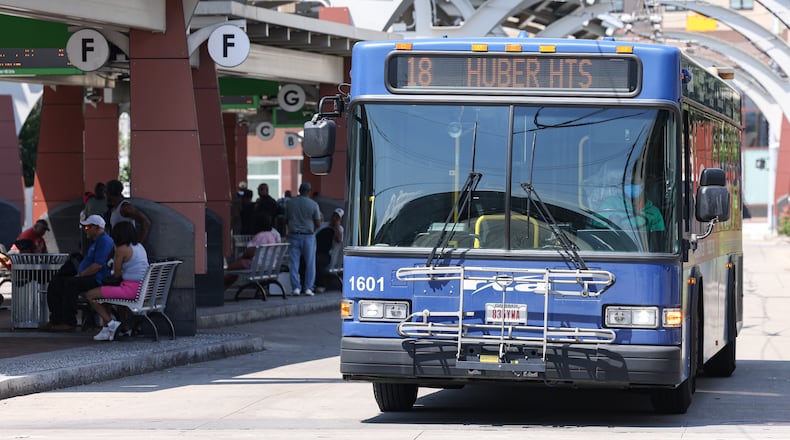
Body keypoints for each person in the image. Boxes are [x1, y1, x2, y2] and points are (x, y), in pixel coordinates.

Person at [42, 215, 113, 331]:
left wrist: (81, 274)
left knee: (71, 283)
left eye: (87, 227)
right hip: (88, 276)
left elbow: (98, 265)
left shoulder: (104, 241)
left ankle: (69, 322)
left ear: (97, 227)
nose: (85, 230)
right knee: (56, 283)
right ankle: (56, 319)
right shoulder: (97, 241)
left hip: (97, 278)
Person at [84, 221, 149, 341]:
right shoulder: (139, 246)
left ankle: (111, 324)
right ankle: (105, 329)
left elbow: (116, 274)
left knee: (91, 295)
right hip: (143, 289)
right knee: (103, 295)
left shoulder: (121, 249)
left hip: (130, 290)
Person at [224, 214, 281, 288]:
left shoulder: (259, 236)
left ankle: (220, 287)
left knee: (231, 268)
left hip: (257, 266)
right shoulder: (272, 236)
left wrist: (241, 257)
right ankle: (223, 286)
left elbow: (249, 253)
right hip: (270, 267)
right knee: (235, 271)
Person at [285, 182, 321, 296]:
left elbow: (286, 219)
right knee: (310, 263)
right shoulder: (313, 204)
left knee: (294, 263)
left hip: (293, 235)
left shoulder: (290, 203)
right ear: (309, 191)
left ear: (299, 190)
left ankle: (296, 287)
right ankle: (308, 288)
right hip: (308, 236)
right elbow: (318, 223)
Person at [596, 184, 664, 232]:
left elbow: (657, 239)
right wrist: (618, 226)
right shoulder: (610, 203)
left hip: (643, 250)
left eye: (634, 182)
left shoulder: (654, 212)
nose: (631, 185)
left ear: (642, 184)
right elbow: (597, 226)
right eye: (628, 182)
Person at [106, 179, 151, 243]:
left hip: (127, 246)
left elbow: (146, 222)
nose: (105, 195)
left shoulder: (125, 207)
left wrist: (138, 243)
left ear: (110, 193)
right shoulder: (114, 208)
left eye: (106, 192)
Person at [315, 207, 344, 293]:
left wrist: (336, 226)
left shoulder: (340, 229)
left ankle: (321, 284)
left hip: (329, 256)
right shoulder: (324, 225)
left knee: (318, 261)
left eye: (337, 217)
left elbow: (339, 239)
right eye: (334, 215)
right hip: (318, 251)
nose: (334, 218)